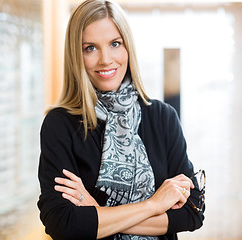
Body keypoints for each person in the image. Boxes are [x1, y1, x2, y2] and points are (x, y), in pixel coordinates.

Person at [37, 0, 205, 239]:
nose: (105, 59)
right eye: (90, 48)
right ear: (76, 55)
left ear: (128, 48)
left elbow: (192, 212)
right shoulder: (60, 123)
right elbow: (62, 223)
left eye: (115, 44)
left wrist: (98, 213)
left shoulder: (162, 117)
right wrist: (154, 205)